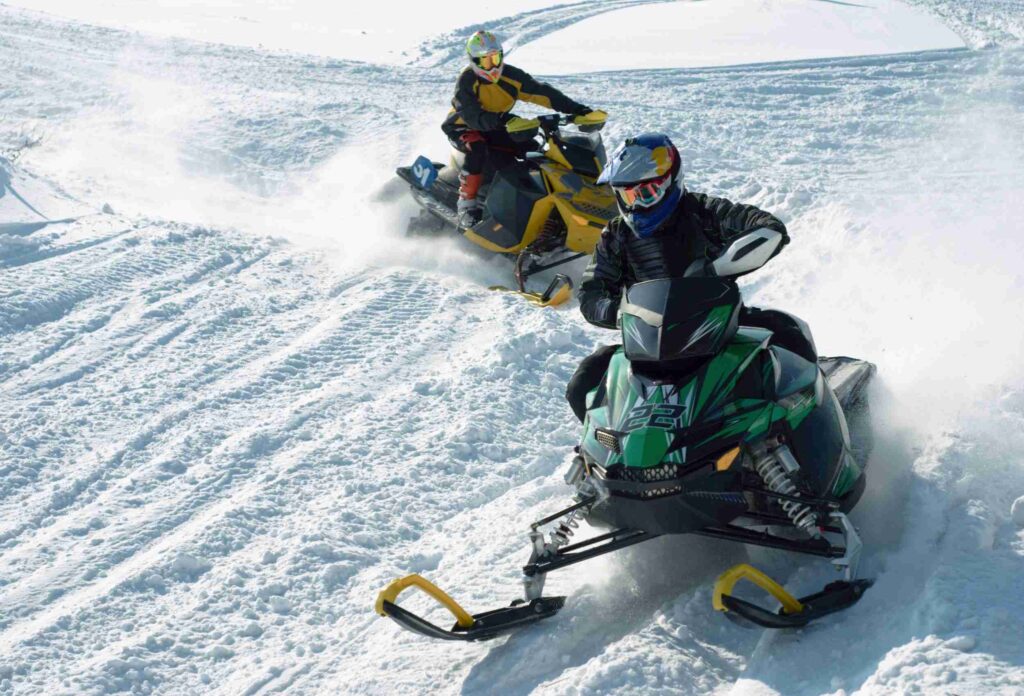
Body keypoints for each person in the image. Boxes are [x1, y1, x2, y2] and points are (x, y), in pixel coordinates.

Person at [566, 133, 816, 422]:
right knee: (582, 384)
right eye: (626, 195)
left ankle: (814, 425)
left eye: (645, 193)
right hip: (646, 340)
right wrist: (621, 312)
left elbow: (769, 228)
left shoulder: (704, 212)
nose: (635, 204)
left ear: (670, 181)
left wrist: (716, 268)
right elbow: (591, 292)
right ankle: (605, 451)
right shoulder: (616, 234)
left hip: (719, 327)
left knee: (788, 334)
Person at [442, 30, 595, 228]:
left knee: (532, 147)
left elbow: (542, 92)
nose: (492, 66)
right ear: (474, 61)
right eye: (485, 62)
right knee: (477, 147)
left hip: (497, 123)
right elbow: (471, 114)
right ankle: (466, 205)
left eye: (495, 58)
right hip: (463, 125)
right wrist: (503, 120)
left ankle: (544, 201)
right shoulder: (467, 81)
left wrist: (577, 110)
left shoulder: (511, 76)